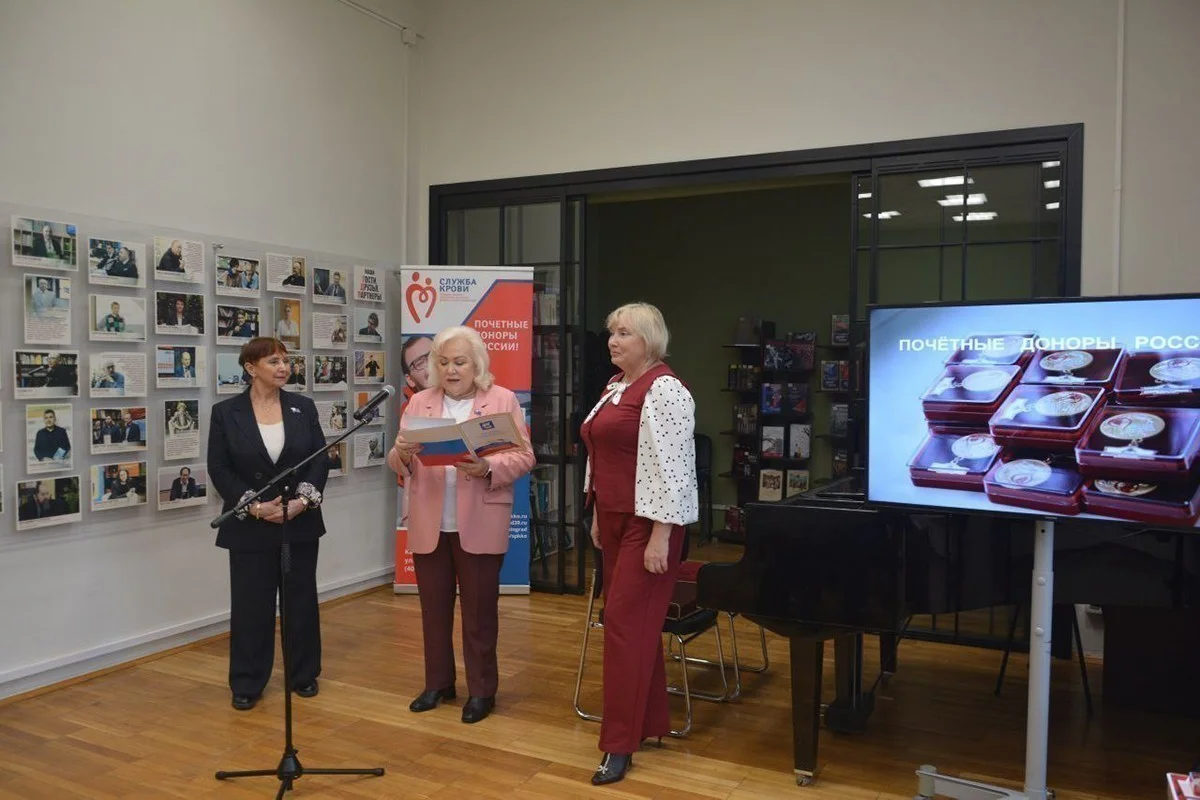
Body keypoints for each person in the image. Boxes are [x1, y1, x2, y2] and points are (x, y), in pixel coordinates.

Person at [388, 325, 535, 724]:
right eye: (443, 362)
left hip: (481, 519)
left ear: (477, 364)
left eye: (459, 362)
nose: (450, 370)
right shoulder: (420, 402)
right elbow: (397, 463)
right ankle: (438, 683)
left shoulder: (501, 399)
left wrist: (488, 466)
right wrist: (401, 452)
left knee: (480, 613)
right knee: (433, 609)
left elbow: (524, 456)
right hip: (430, 520)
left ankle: (482, 690)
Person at [578, 302, 698, 786]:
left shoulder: (665, 389)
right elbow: (600, 452)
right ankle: (647, 723)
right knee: (632, 627)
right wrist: (595, 510)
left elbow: (675, 469)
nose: (613, 341)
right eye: (612, 332)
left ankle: (618, 744)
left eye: (624, 333)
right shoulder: (615, 386)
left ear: (648, 340)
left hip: (647, 523)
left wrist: (661, 535)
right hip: (611, 518)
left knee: (623, 628)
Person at [207, 337, 329, 711]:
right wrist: (256, 506)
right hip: (250, 524)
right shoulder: (226, 412)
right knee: (251, 605)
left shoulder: (302, 407)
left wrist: (301, 502)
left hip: (298, 520)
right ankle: (247, 681)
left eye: (286, 361)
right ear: (250, 368)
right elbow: (219, 468)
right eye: (274, 361)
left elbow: (320, 459)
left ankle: (303, 675)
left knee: (300, 601)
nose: (284, 367)